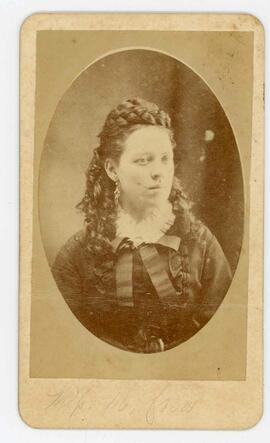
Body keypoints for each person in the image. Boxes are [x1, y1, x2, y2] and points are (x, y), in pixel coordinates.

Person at [52, 97, 232, 353]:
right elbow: (63, 342)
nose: (158, 171)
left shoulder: (201, 244)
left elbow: (225, 337)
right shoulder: (78, 254)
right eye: (143, 161)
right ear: (112, 170)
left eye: (164, 159)